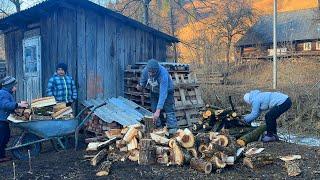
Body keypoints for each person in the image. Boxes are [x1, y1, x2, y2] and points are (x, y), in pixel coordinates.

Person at [136, 59, 178, 135]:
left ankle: (173, 129)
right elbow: (143, 82)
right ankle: (158, 128)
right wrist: (141, 86)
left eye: (153, 72)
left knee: (168, 109)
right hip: (154, 92)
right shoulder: (146, 71)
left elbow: (163, 93)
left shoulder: (163, 74)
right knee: (154, 109)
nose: (151, 74)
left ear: (157, 70)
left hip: (167, 92)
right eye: (150, 72)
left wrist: (158, 110)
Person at [0, 76, 28, 163]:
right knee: (2, 137)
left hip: (3, 119)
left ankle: (2, 155)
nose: (15, 88)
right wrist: (18, 104)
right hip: (1, 120)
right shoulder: (3, 93)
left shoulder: (6, 93)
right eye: (14, 86)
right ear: (10, 86)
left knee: (6, 137)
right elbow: (5, 105)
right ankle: (0, 157)